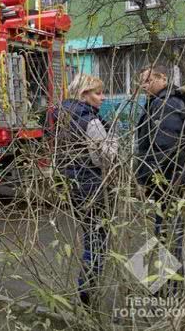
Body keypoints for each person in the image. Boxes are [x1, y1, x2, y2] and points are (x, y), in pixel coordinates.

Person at [135, 65, 185, 294]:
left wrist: (147, 180)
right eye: (141, 83)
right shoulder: (165, 101)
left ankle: (175, 291)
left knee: (168, 235)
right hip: (172, 182)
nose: (143, 87)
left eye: (147, 81)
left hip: (170, 183)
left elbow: (165, 148)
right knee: (167, 234)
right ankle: (171, 287)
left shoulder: (166, 104)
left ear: (162, 78)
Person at [54, 74, 118, 306]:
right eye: (98, 93)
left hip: (73, 186)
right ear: (84, 94)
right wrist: (113, 139)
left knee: (90, 236)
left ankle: (88, 289)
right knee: (97, 241)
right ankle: (88, 292)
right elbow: (103, 158)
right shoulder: (89, 121)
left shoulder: (60, 116)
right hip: (94, 187)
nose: (103, 97)